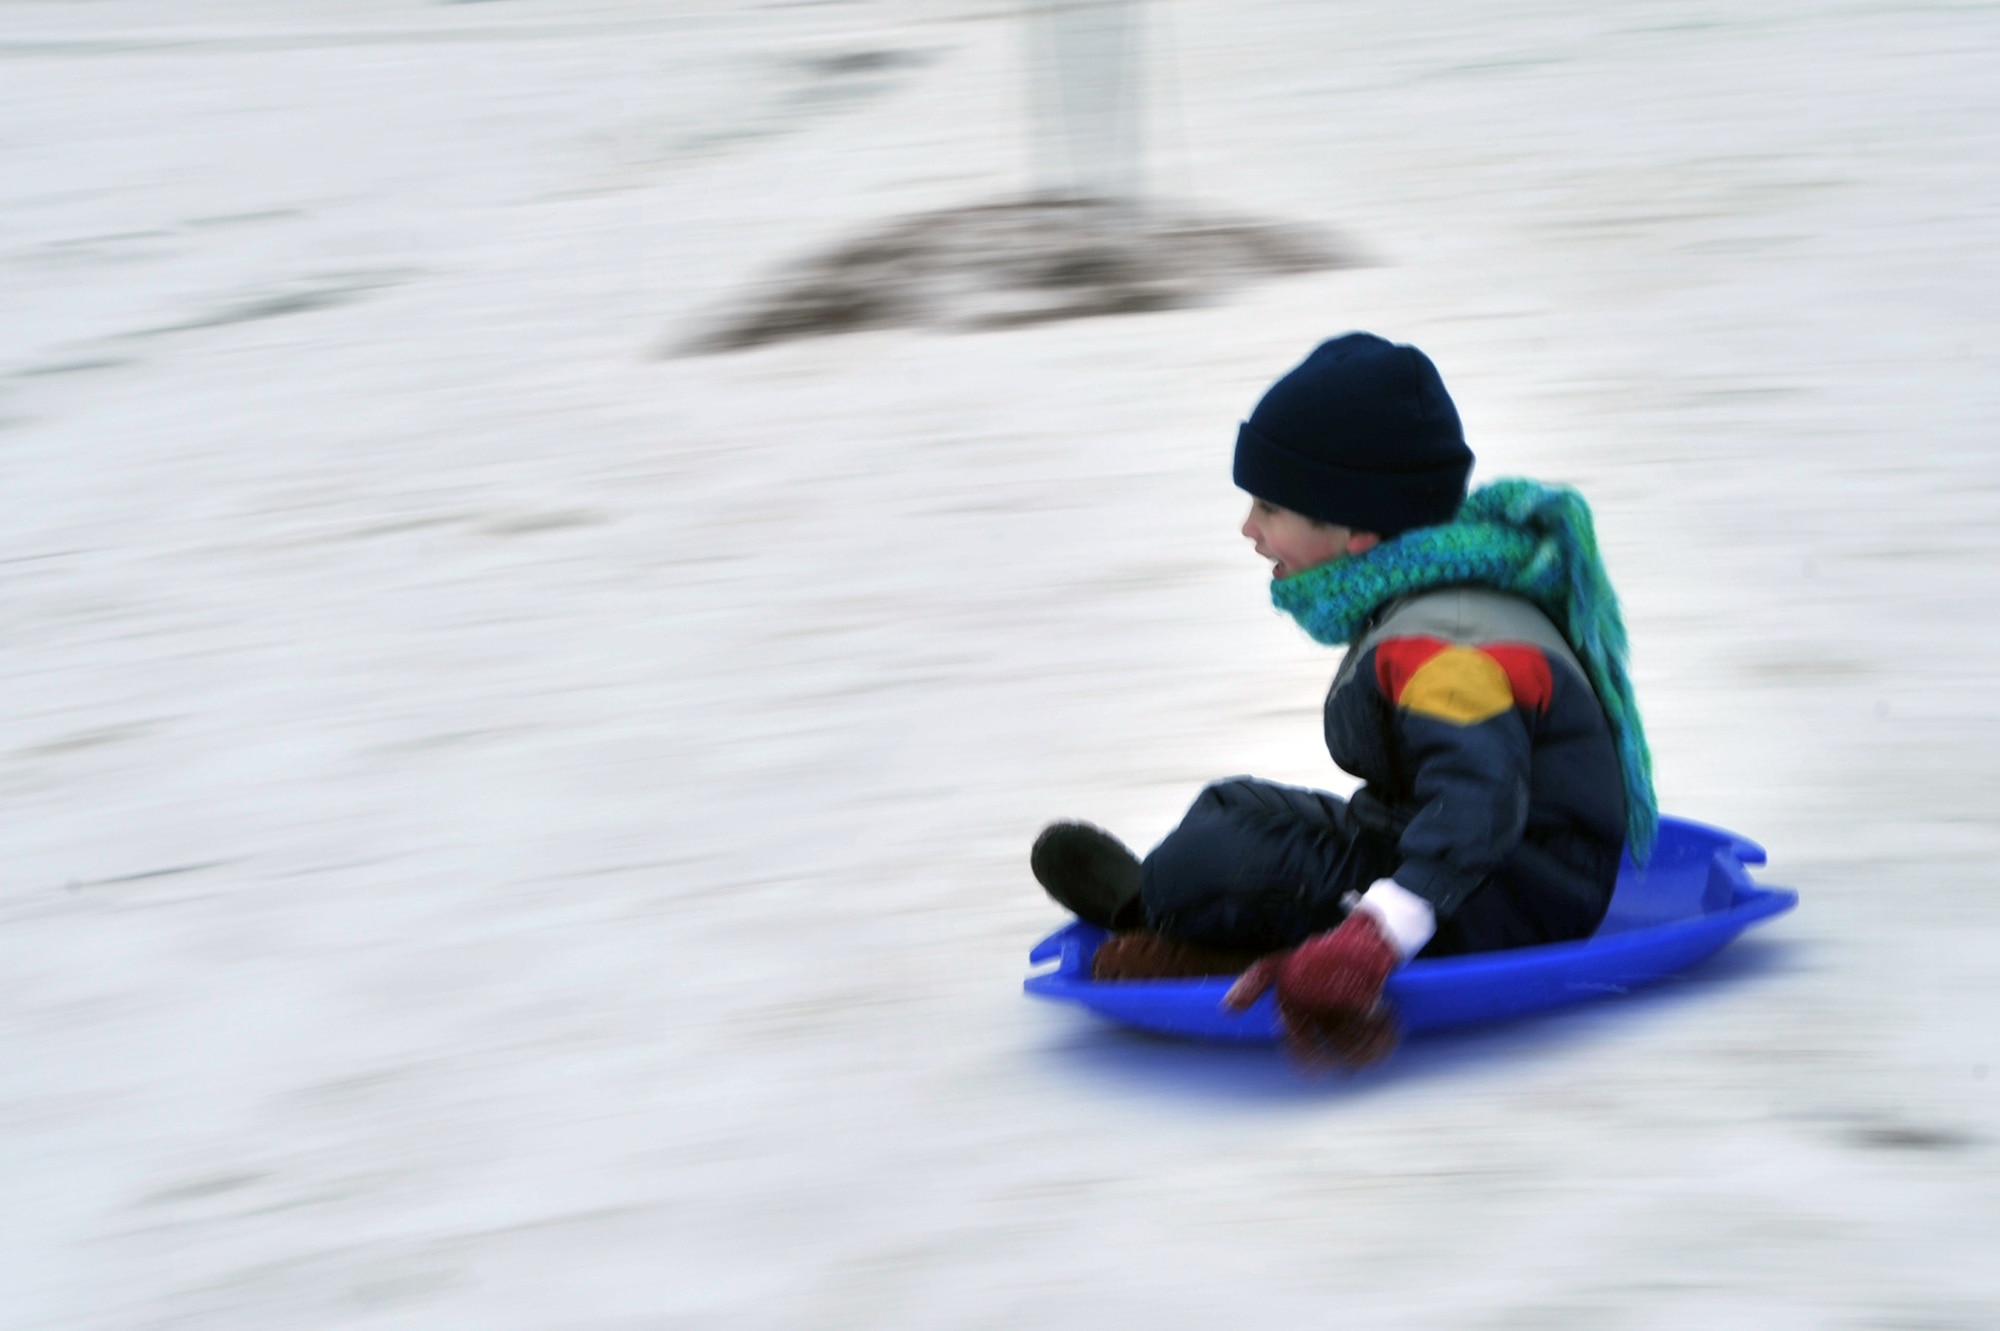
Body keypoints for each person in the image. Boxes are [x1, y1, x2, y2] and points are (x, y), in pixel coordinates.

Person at [1030, 332, 1657, 1067]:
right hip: (1474, 855)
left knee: (1215, 859)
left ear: (1358, 528)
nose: (1250, 530)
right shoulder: (1433, 595)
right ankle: (1170, 900)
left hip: (1503, 899)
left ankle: (1200, 940)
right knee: (1230, 806)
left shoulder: (1443, 644)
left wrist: (1372, 936)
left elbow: (1480, 798)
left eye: (1270, 506)